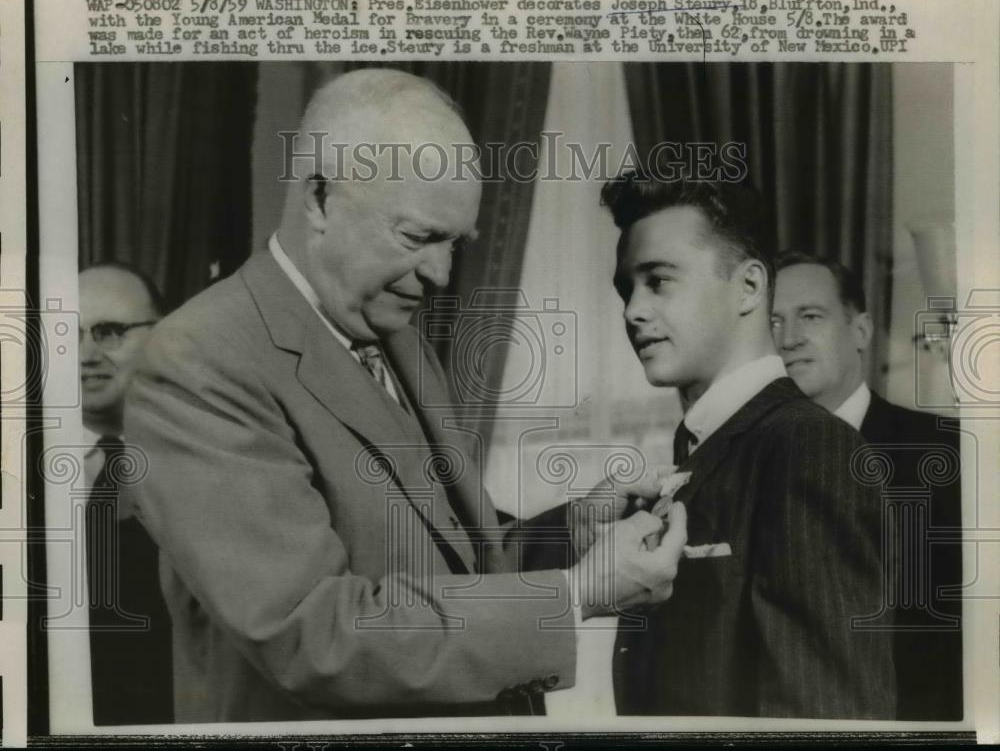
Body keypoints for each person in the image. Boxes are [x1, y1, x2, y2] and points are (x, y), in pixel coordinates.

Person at [122, 68, 687, 723]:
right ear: (319, 199)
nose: (440, 274)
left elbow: (444, 547)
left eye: (455, 244)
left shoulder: (389, 327)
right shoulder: (199, 358)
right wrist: (577, 592)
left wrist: (570, 536)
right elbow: (316, 634)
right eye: (418, 237)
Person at [602, 175, 896, 718]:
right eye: (627, 289)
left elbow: (824, 715)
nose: (632, 311)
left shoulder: (807, 444)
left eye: (658, 281)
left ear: (750, 287)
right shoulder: (704, 443)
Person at [772, 251, 962, 721]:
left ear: (860, 331)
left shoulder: (947, 452)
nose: (788, 340)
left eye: (810, 317)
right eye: (771, 324)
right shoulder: (748, 463)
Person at [79, 262, 173, 724]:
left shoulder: (212, 459)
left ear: (163, 335)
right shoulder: (15, 474)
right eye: (66, 333)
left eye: (110, 331)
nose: (85, 354)